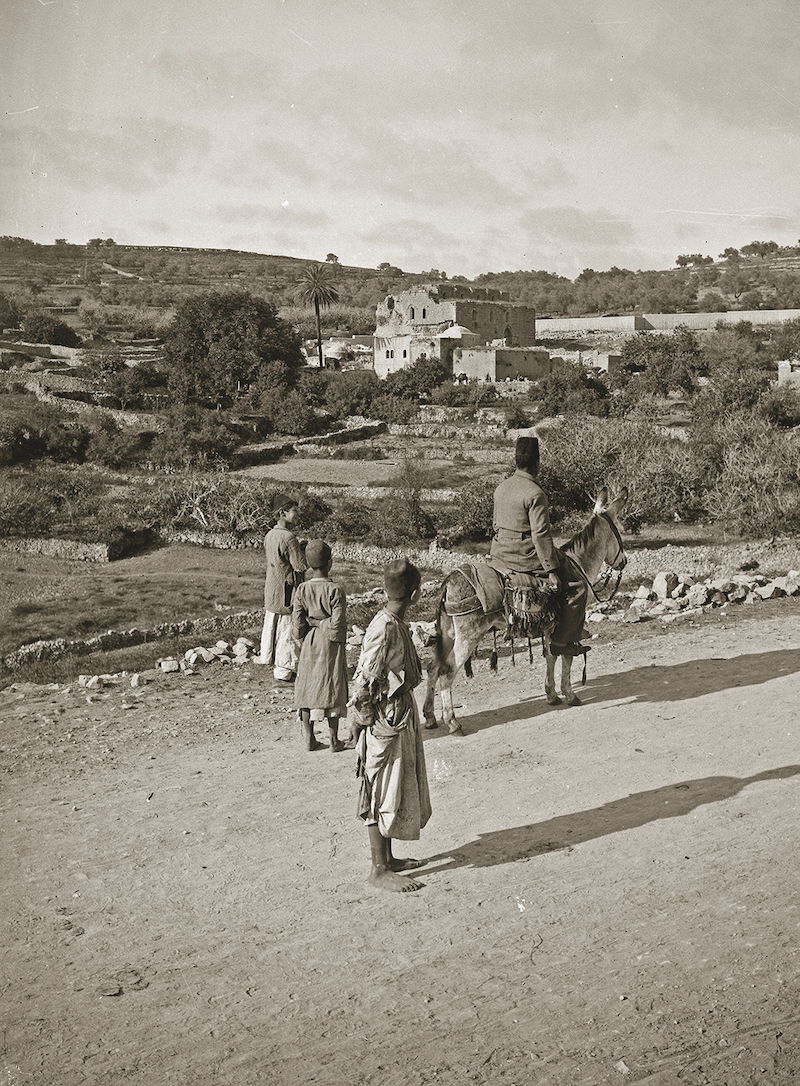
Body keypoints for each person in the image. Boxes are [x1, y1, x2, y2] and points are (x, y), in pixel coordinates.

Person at [349, 559, 431, 893]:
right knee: (377, 787)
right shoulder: (384, 628)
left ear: (385, 590)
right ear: (415, 593)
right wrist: (363, 720)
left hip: (397, 714)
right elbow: (365, 681)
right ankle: (378, 869)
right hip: (385, 719)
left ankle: (390, 858)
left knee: (392, 787)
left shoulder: (394, 623)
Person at [489, 435, 588, 659]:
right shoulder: (536, 493)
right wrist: (551, 571)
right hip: (523, 557)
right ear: (537, 464)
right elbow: (541, 535)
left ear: (516, 460)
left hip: (499, 554)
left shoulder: (501, 488)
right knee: (577, 586)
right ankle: (562, 642)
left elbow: (496, 525)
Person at [291, 539, 348, 754]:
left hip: (309, 643)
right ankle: (334, 740)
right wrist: (323, 623)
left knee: (307, 687)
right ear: (330, 563)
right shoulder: (336, 590)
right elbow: (337, 626)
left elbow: (297, 627)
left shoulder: (302, 590)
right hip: (330, 645)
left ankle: (309, 738)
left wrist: (311, 624)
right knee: (331, 685)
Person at [258, 493, 307, 682]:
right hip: (288, 591)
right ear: (282, 513)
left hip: (273, 588)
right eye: (294, 511)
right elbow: (299, 566)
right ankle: (285, 669)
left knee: (273, 626)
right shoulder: (289, 538)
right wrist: (305, 551)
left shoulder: (270, 535)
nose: (297, 514)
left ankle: (272, 661)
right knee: (287, 631)